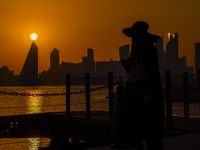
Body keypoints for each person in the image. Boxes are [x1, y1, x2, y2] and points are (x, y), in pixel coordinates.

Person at [112, 21, 165, 150]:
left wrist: (149, 93)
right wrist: (128, 65)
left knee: (147, 128)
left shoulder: (148, 50)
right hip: (134, 93)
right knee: (131, 124)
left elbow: (151, 73)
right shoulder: (137, 51)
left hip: (142, 93)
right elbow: (135, 71)